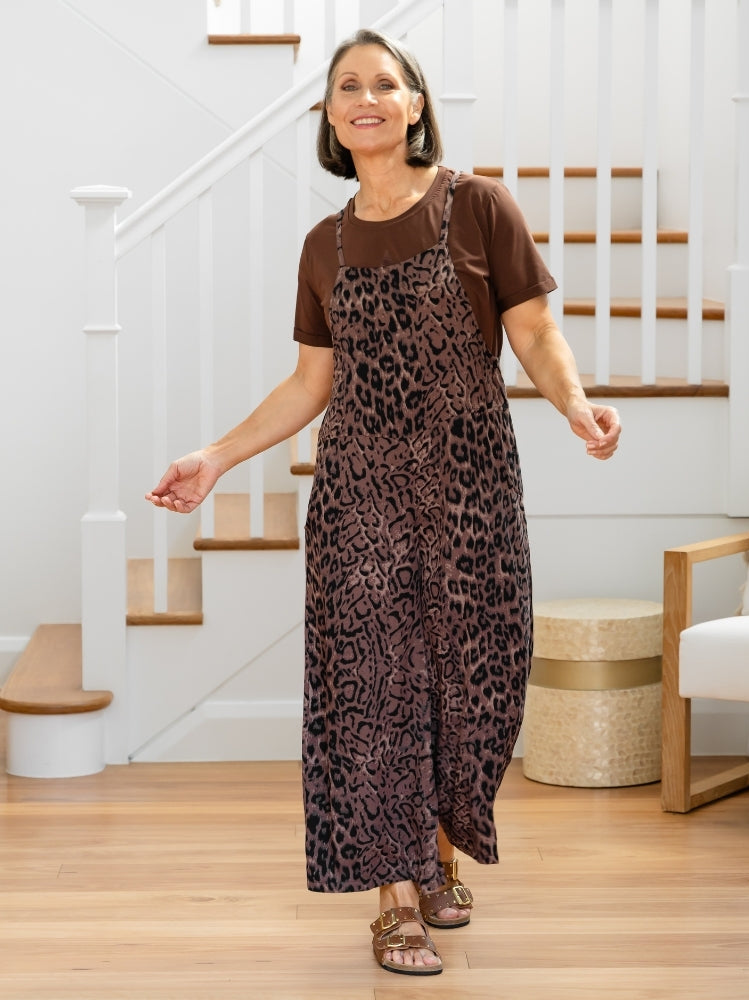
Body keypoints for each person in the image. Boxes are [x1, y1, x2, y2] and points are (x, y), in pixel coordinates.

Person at [146, 28, 621, 977]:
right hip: (359, 494)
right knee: (372, 693)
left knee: (471, 686)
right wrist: (219, 455)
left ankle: (437, 850)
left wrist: (574, 402)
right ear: (330, 116)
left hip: (472, 491)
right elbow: (308, 384)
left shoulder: (479, 207)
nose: (366, 97)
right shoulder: (324, 245)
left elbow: (534, 329)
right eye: (346, 87)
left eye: (385, 83)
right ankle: (396, 897)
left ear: (414, 105)